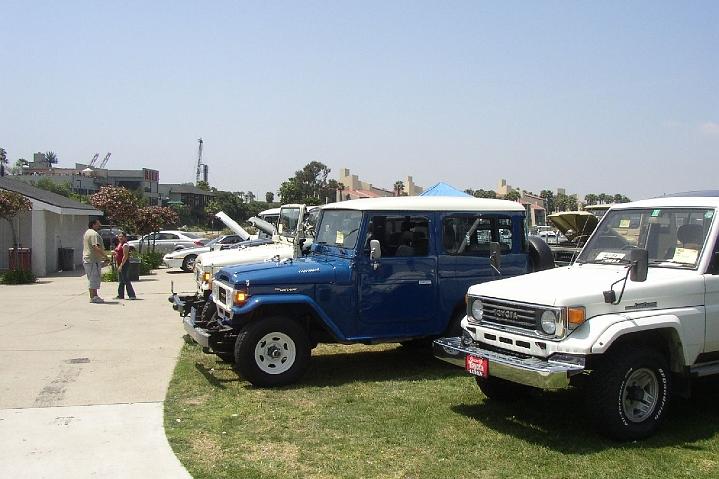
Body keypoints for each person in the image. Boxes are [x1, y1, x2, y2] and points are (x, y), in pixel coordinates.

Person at [83, 219, 107, 303]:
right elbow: (96, 247)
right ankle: (93, 297)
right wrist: (105, 256)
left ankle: (95, 296)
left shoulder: (87, 232)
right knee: (94, 278)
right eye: (98, 224)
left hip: (89, 259)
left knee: (93, 278)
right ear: (93, 225)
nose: (100, 225)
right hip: (92, 260)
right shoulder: (94, 234)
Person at [114, 232, 137, 300]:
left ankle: (132, 295)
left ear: (125, 237)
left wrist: (121, 265)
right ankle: (120, 295)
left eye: (122, 236)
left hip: (124, 264)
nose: (120, 238)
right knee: (121, 280)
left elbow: (125, 256)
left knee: (126, 279)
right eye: (119, 236)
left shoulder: (125, 245)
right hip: (119, 263)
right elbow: (118, 252)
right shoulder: (119, 244)